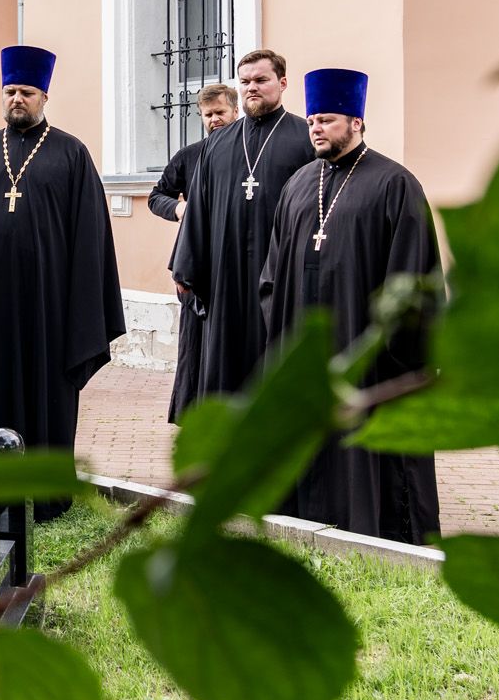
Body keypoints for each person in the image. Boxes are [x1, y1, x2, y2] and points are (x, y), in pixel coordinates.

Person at [0, 46, 124, 521]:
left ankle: (45, 492)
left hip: (48, 306)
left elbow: (90, 238)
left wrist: (83, 308)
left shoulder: (71, 153)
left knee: (46, 392)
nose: (16, 99)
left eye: (26, 92)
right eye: (10, 91)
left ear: (44, 96)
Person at [262, 69, 443, 545]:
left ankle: (377, 530)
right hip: (306, 349)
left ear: (356, 122)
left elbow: (413, 277)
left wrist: (395, 349)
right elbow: (272, 274)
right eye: (312, 121)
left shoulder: (395, 184)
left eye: (327, 120)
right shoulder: (299, 184)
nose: (316, 129)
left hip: (368, 356)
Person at [174, 49, 313, 412]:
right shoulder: (217, 143)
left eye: (261, 80)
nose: (252, 87)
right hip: (226, 272)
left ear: (282, 83)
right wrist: (186, 267)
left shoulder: (305, 138)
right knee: (227, 358)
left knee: (277, 351)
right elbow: (198, 207)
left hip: (282, 273)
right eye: (246, 81)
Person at [148, 84, 238, 422]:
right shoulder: (190, 155)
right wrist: (179, 209)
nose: (215, 119)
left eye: (220, 112)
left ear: (235, 111)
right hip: (196, 261)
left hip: (236, 261)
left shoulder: (250, 155)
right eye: (208, 114)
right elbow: (157, 196)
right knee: (195, 342)